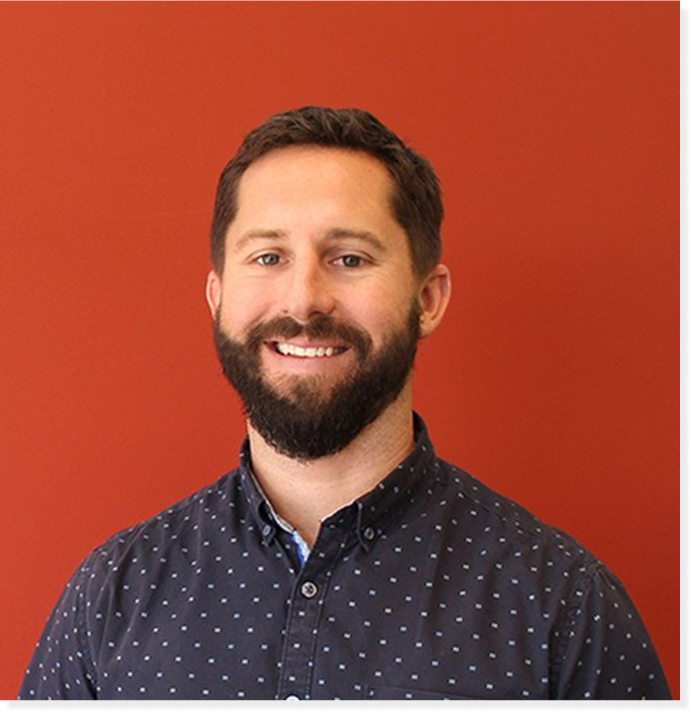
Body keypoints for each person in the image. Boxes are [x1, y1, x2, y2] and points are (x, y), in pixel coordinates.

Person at [19, 107, 671, 702]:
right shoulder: (112, 596)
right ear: (217, 296)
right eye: (268, 255)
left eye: (350, 257)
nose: (303, 301)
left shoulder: (564, 606)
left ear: (428, 298)